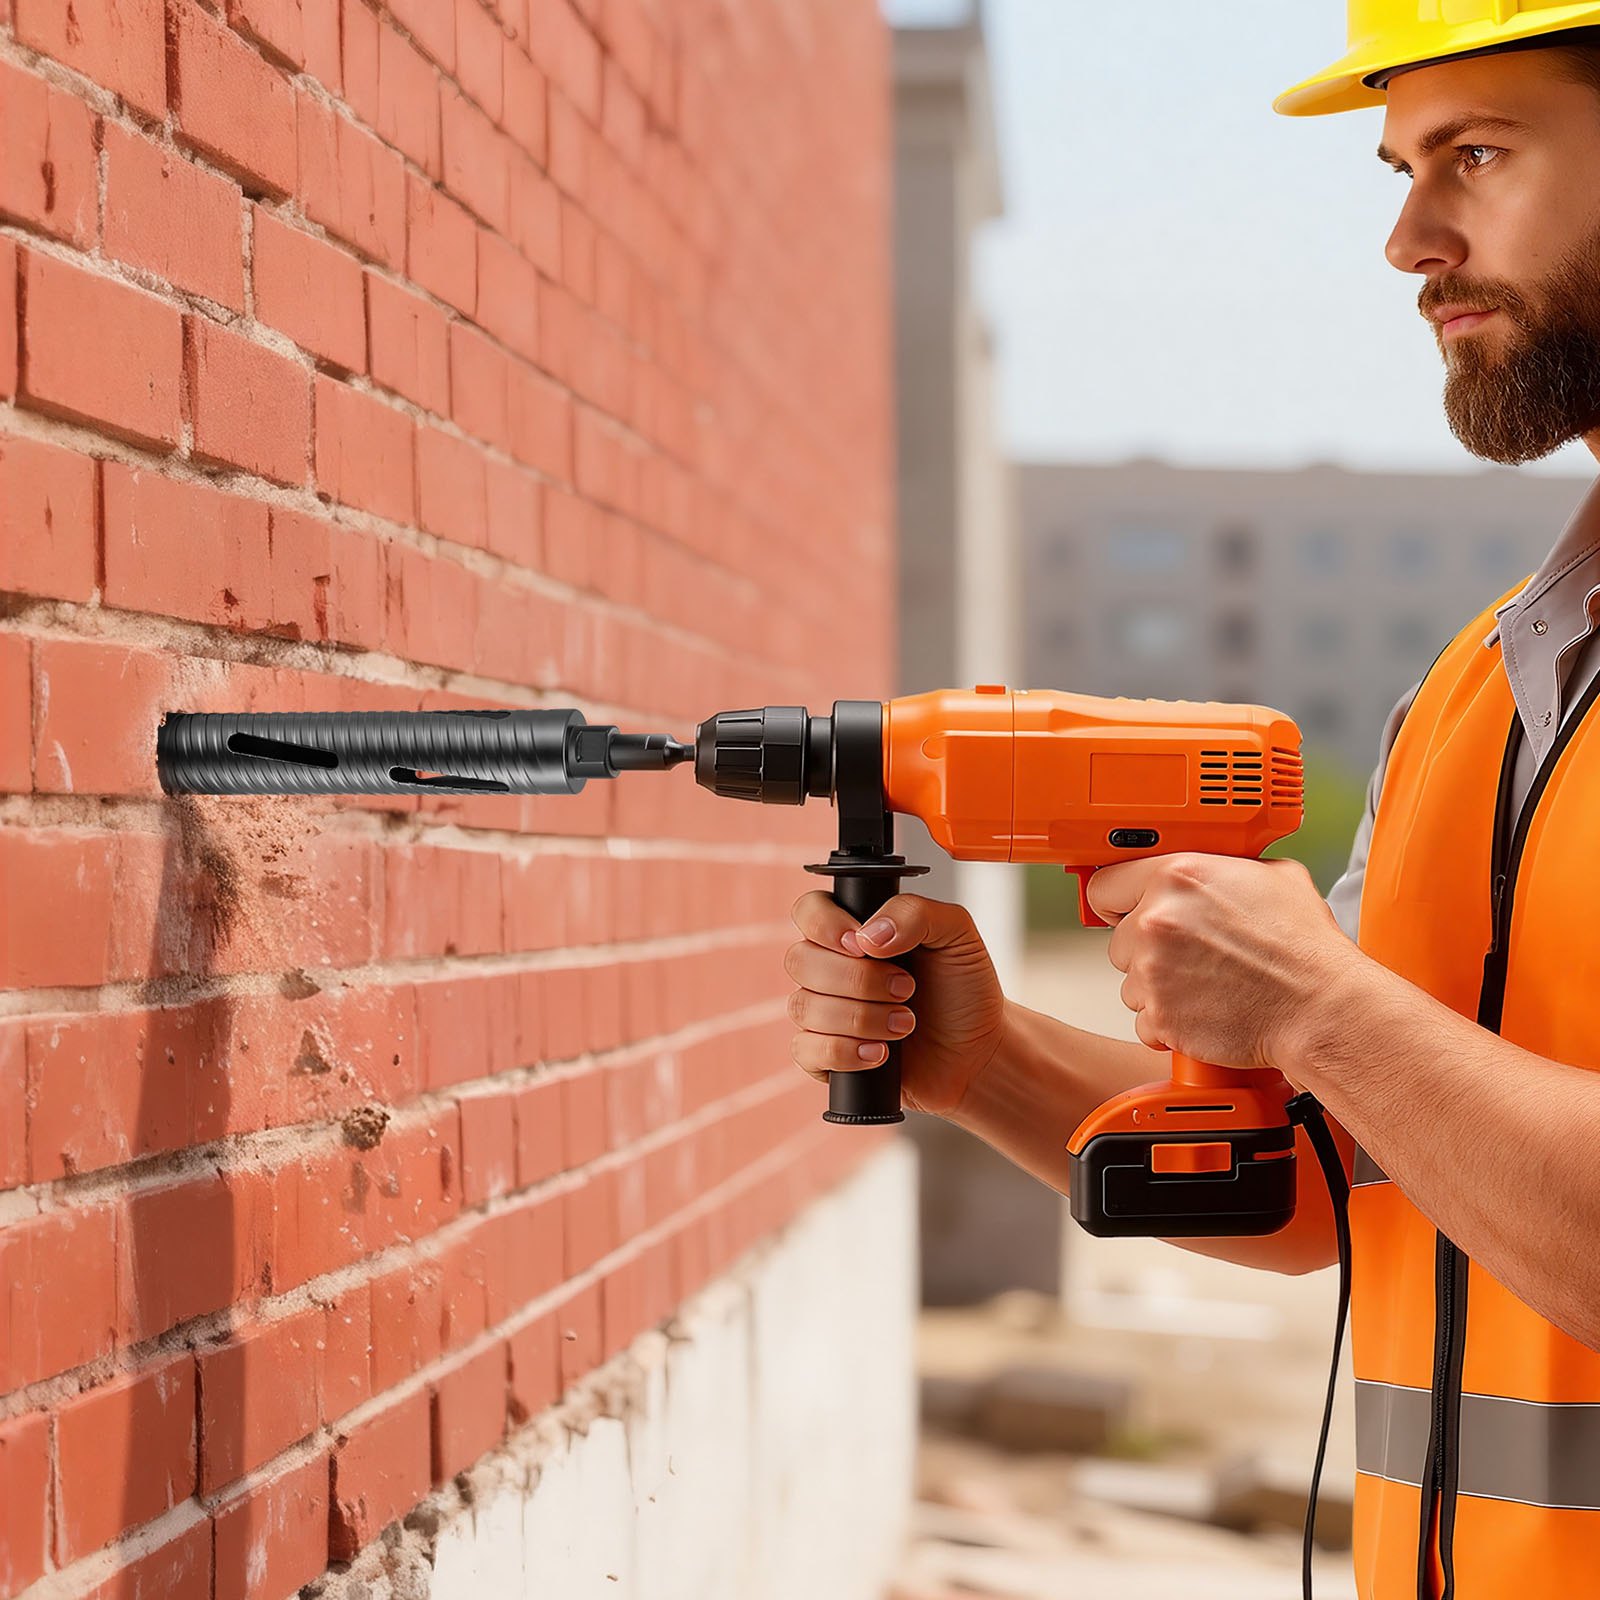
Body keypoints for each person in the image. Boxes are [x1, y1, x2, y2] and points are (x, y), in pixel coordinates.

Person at [785, 7, 1600, 1598]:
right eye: (1403, 169)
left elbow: (1347, 1052)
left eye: (1477, 156)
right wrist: (988, 1058)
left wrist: (1321, 1006)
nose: (1407, 239)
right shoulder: (1481, 693)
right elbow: (1327, 1179)